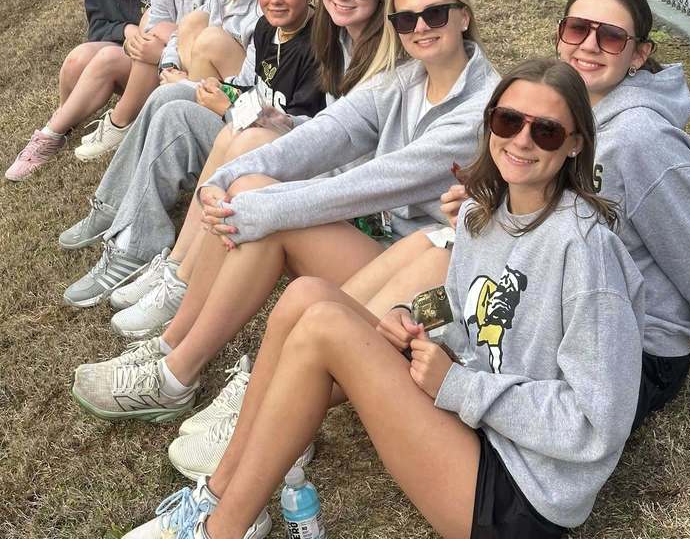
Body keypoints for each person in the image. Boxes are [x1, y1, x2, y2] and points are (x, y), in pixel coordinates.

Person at [119, 58, 645, 539]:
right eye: (508, 121)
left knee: (326, 325)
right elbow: (461, 308)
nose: (522, 141)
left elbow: (594, 424)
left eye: (546, 131)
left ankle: (220, 531)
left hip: (526, 492)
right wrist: (412, 318)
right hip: (475, 427)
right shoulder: (482, 215)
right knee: (307, 296)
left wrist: (461, 387)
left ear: (575, 143)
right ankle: (216, 495)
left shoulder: (585, 251)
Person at [70, 0, 498, 430]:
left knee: (264, 215)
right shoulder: (404, 80)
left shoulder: (483, 109)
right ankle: (172, 346)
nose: (419, 28)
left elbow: (371, 186)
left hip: (426, 270)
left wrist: (259, 204)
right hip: (381, 243)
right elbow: (328, 133)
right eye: (405, 19)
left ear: (463, 15)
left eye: (434, 14)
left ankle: (178, 376)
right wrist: (228, 177)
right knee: (250, 189)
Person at [442, 0, 690, 425]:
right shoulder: (553, 113)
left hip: (631, 347)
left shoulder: (641, 141)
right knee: (427, 265)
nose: (588, 46)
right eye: (577, 29)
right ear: (560, 33)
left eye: (610, 37)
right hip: (558, 308)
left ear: (638, 54)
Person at [59, 0, 398, 324]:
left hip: (324, 175)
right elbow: (260, 88)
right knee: (171, 102)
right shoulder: (324, 34)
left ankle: (180, 278)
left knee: (238, 132)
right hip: (287, 137)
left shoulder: (352, 50)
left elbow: (331, 135)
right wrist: (207, 88)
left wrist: (236, 109)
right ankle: (140, 237)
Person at [4, 0, 160, 181]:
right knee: (78, 57)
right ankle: (65, 121)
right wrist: (125, 28)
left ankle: (48, 138)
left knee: (109, 56)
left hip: (155, 67)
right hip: (130, 59)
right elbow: (97, 28)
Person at [73, 0, 213, 161]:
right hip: (180, 54)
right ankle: (119, 122)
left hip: (209, 65)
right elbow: (158, 20)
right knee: (149, 28)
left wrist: (162, 54)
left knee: (154, 37)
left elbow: (207, 34)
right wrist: (162, 52)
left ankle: (120, 124)